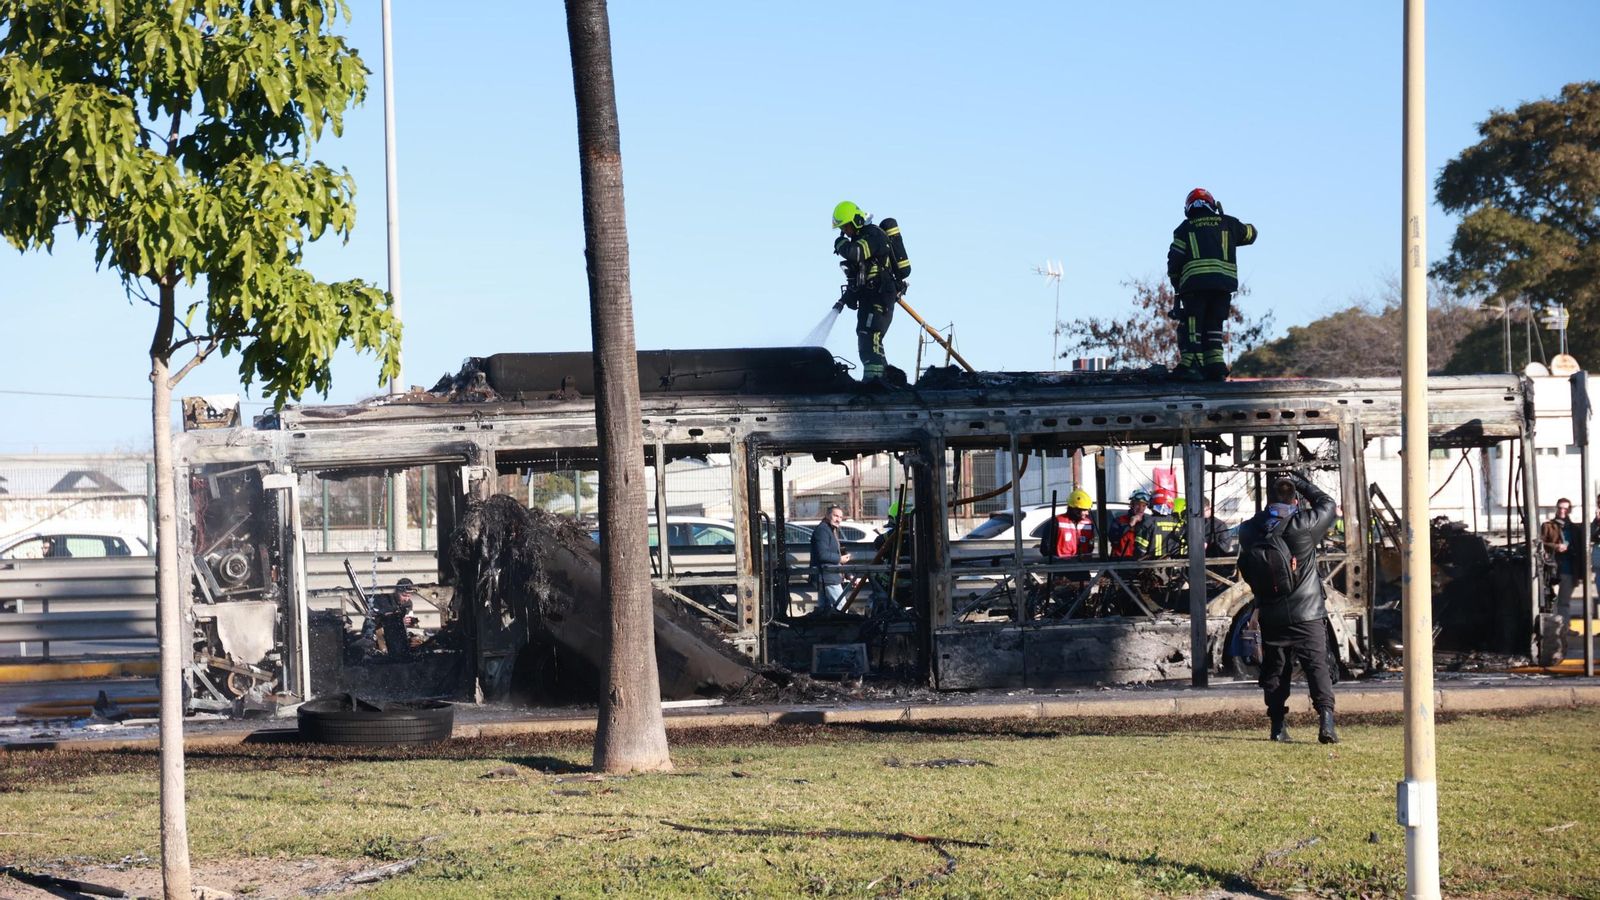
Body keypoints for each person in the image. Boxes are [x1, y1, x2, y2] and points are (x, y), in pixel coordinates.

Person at [1237, 473, 1338, 743]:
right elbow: (1328, 504)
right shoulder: (1303, 525)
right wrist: (1303, 483)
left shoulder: (1250, 530)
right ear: (1295, 499)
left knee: (1276, 669)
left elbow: (1246, 568)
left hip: (1271, 612)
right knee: (1317, 666)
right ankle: (1326, 723)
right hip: (1307, 612)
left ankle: (1278, 727)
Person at [1166, 188, 1257, 382]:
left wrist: (1175, 280)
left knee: (1192, 325)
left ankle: (1192, 366)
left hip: (1194, 287)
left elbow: (1175, 259)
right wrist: (1225, 220)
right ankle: (1215, 366)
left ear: (1188, 208)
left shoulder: (1184, 228)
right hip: (1222, 287)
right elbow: (1251, 233)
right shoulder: (1228, 223)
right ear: (1212, 204)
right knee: (1214, 324)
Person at [832, 200, 907, 383]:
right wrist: (847, 298)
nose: (846, 232)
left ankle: (874, 384)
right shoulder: (861, 238)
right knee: (867, 338)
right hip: (870, 297)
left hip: (880, 296)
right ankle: (884, 381)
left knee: (870, 339)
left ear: (856, 221)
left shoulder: (873, 235)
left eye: (847, 227)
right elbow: (860, 276)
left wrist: (840, 243)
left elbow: (856, 253)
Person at [1540, 498, 1580, 618]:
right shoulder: (1548, 526)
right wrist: (1555, 546)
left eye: (1565, 508)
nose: (1562, 511)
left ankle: (1564, 628)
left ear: (1569, 510)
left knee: (1564, 602)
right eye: (1560, 508)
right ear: (1556, 509)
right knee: (1552, 601)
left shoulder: (1575, 529)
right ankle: (1554, 629)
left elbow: (1579, 550)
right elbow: (1540, 543)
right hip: (1553, 569)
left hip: (1569, 570)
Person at [810, 505, 852, 614]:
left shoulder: (830, 529)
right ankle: (845, 629)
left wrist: (848, 574)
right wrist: (840, 559)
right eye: (835, 516)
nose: (838, 519)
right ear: (828, 515)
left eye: (841, 517)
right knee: (842, 608)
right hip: (827, 576)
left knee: (824, 610)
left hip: (826, 576)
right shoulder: (823, 530)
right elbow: (822, 555)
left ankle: (824, 630)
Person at [1039, 488, 1096, 559]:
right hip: (1061, 566)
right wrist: (1055, 561)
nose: (1087, 513)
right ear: (1074, 509)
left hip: (1082, 566)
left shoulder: (1088, 524)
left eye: (1087, 510)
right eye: (1084, 510)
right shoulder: (1056, 522)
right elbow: (1045, 547)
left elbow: (1090, 545)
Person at [1111, 489, 1155, 558]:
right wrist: (1129, 525)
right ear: (1132, 505)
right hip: (1121, 563)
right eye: (1138, 504)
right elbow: (1113, 539)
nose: (1140, 508)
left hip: (1141, 563)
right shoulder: (1119, 521)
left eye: (1143, 506)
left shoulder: (1148, 522)